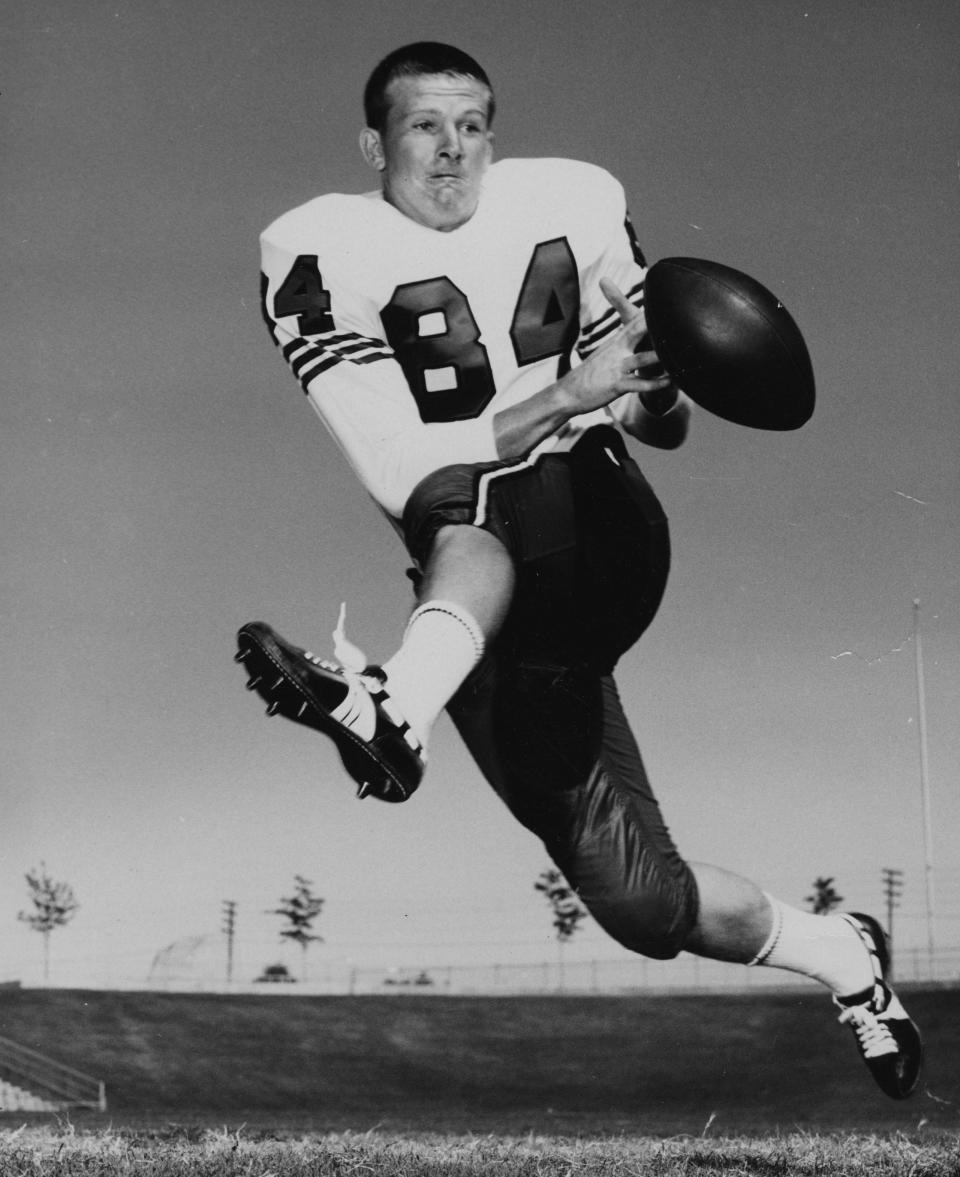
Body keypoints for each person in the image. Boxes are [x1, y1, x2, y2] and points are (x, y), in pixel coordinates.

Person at [237, 42, 922, 1100]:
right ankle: (844, 955)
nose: (454, 148)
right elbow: (404, 460)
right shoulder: (313, 247)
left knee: (491, 498)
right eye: (426, 125)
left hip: (598, 533)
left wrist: (650, 385)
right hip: (483, 601)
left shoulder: (575, 199)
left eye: (474, 122)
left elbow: (666, 424)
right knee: (642, 904)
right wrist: (568, 392)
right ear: (375, 142)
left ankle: (392, 711)